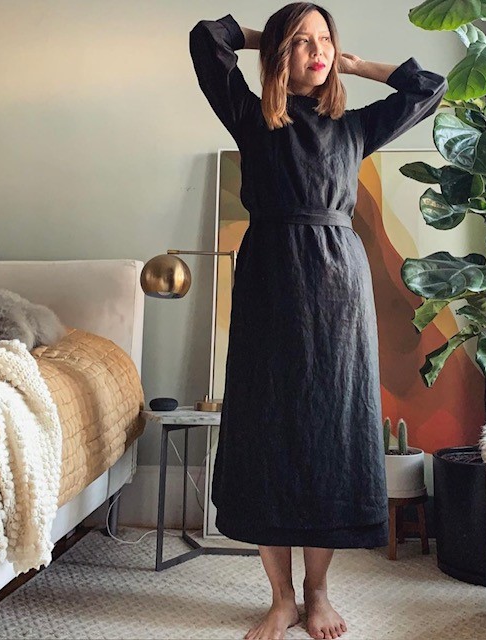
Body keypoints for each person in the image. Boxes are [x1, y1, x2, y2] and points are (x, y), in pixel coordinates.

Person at [189, 4, 447, 639]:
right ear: (280, 53)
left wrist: (356, 63)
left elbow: (427, 87)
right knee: (266, 432)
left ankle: (318, 589)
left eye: (325, 40)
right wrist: (268, 37)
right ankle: (279, 596)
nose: (318, 50)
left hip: (338, 290)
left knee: (331, 433)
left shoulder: (353, 126)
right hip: (269, 283)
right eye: (301, 42)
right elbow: (206, 40)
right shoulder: (252, 117)